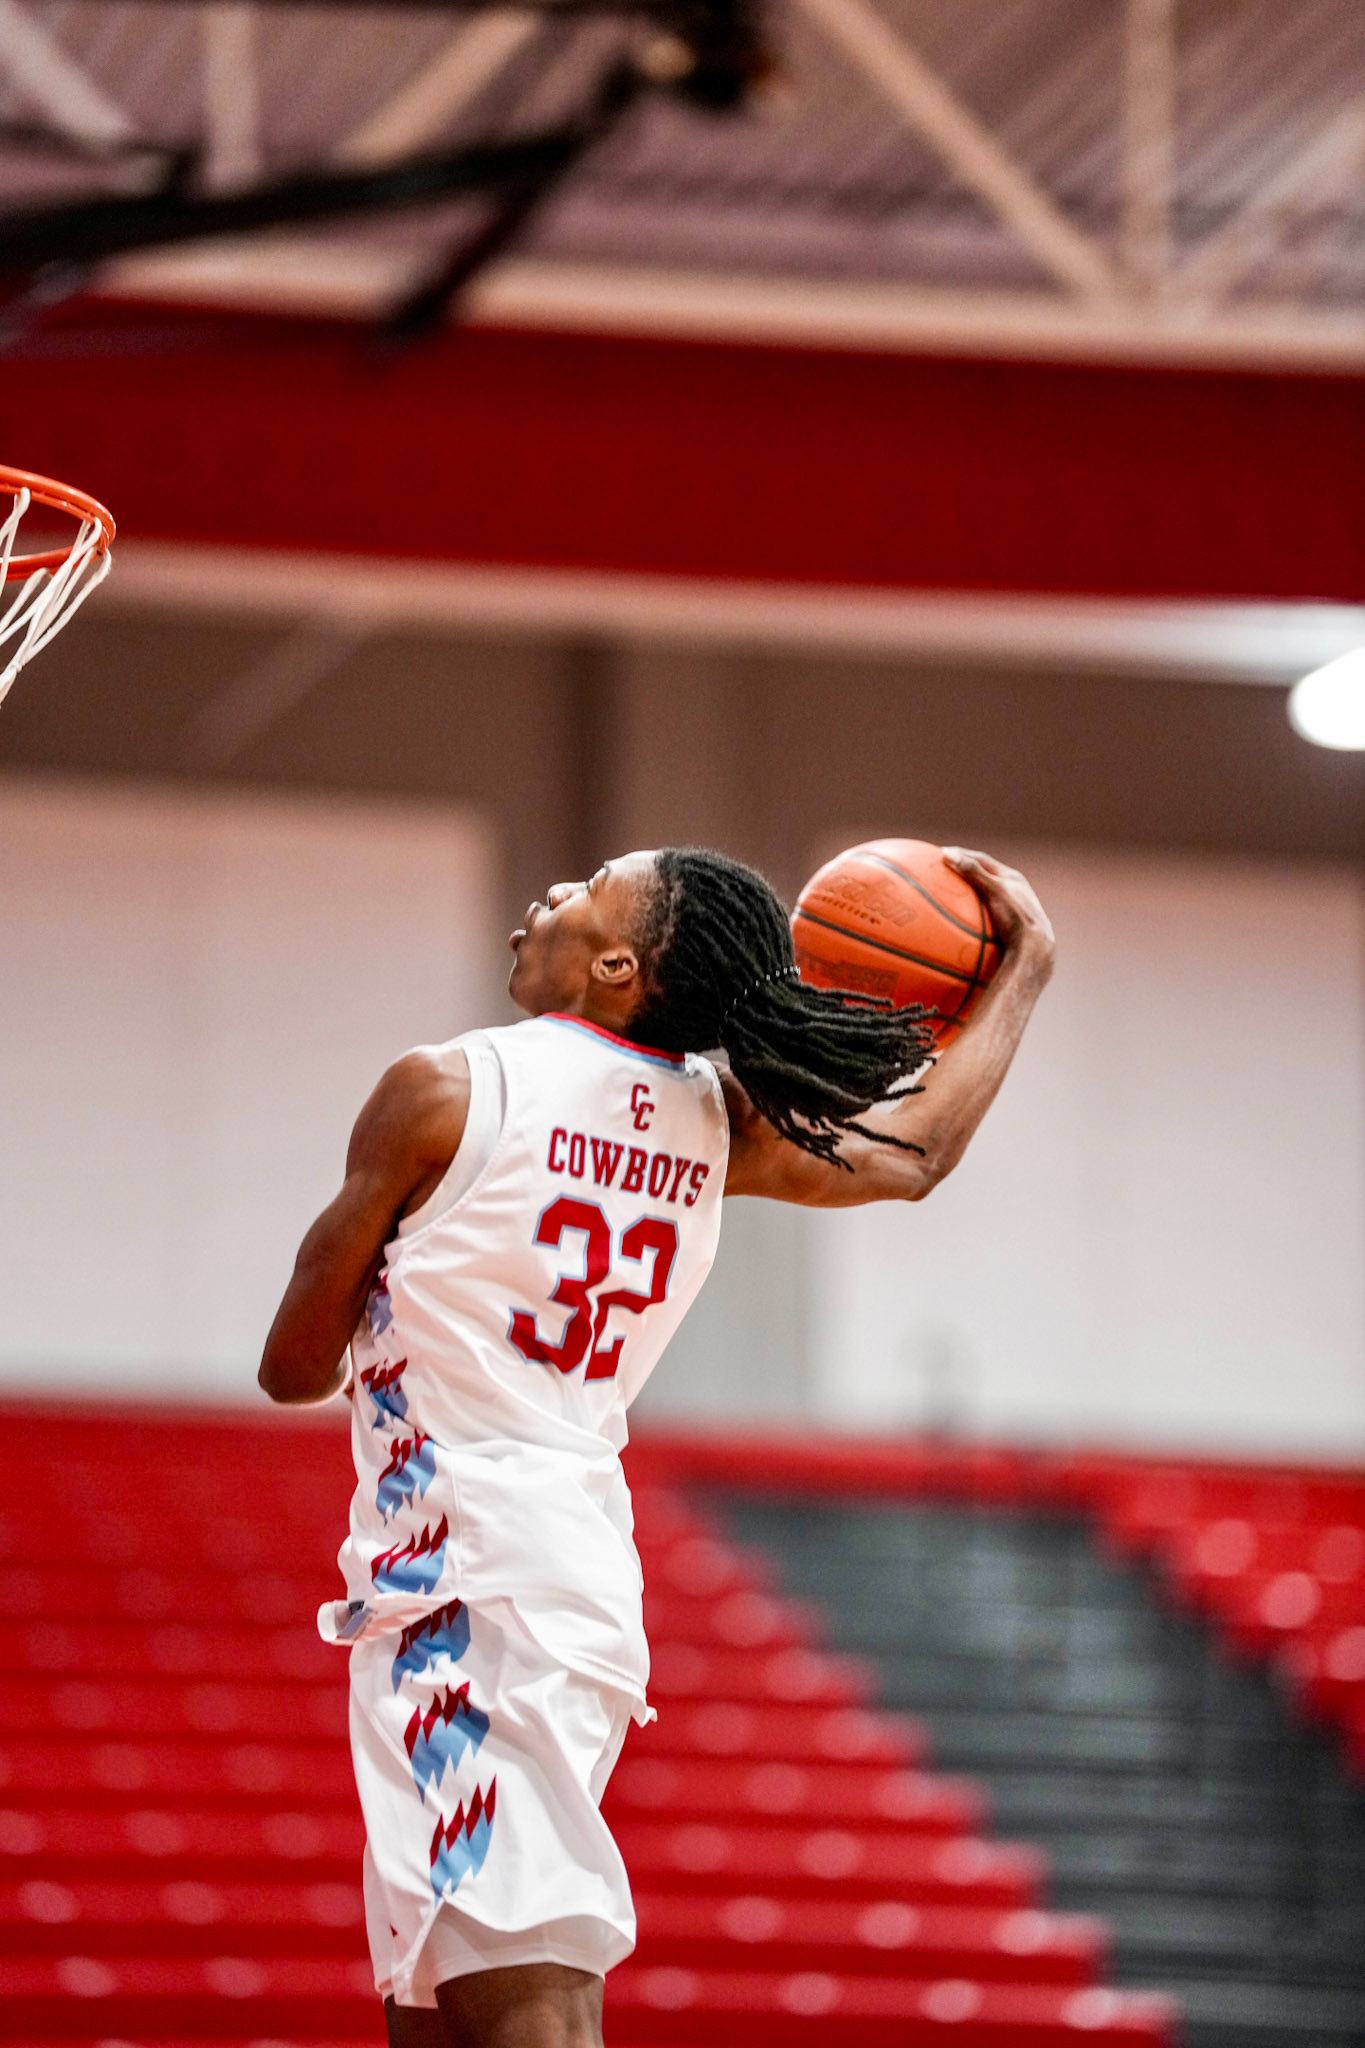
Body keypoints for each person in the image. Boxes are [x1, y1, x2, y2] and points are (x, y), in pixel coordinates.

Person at [259, 844, 1054, 2048]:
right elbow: (914, 1153)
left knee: (531, 2001)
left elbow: (292, 1367)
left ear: (619, 965)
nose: (549, 896)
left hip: (466, 1581)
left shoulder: (440, 1090)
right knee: (439, 2005)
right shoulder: (715, 1121)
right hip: (568, 1578)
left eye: (583, 889)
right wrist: (1025, 963)